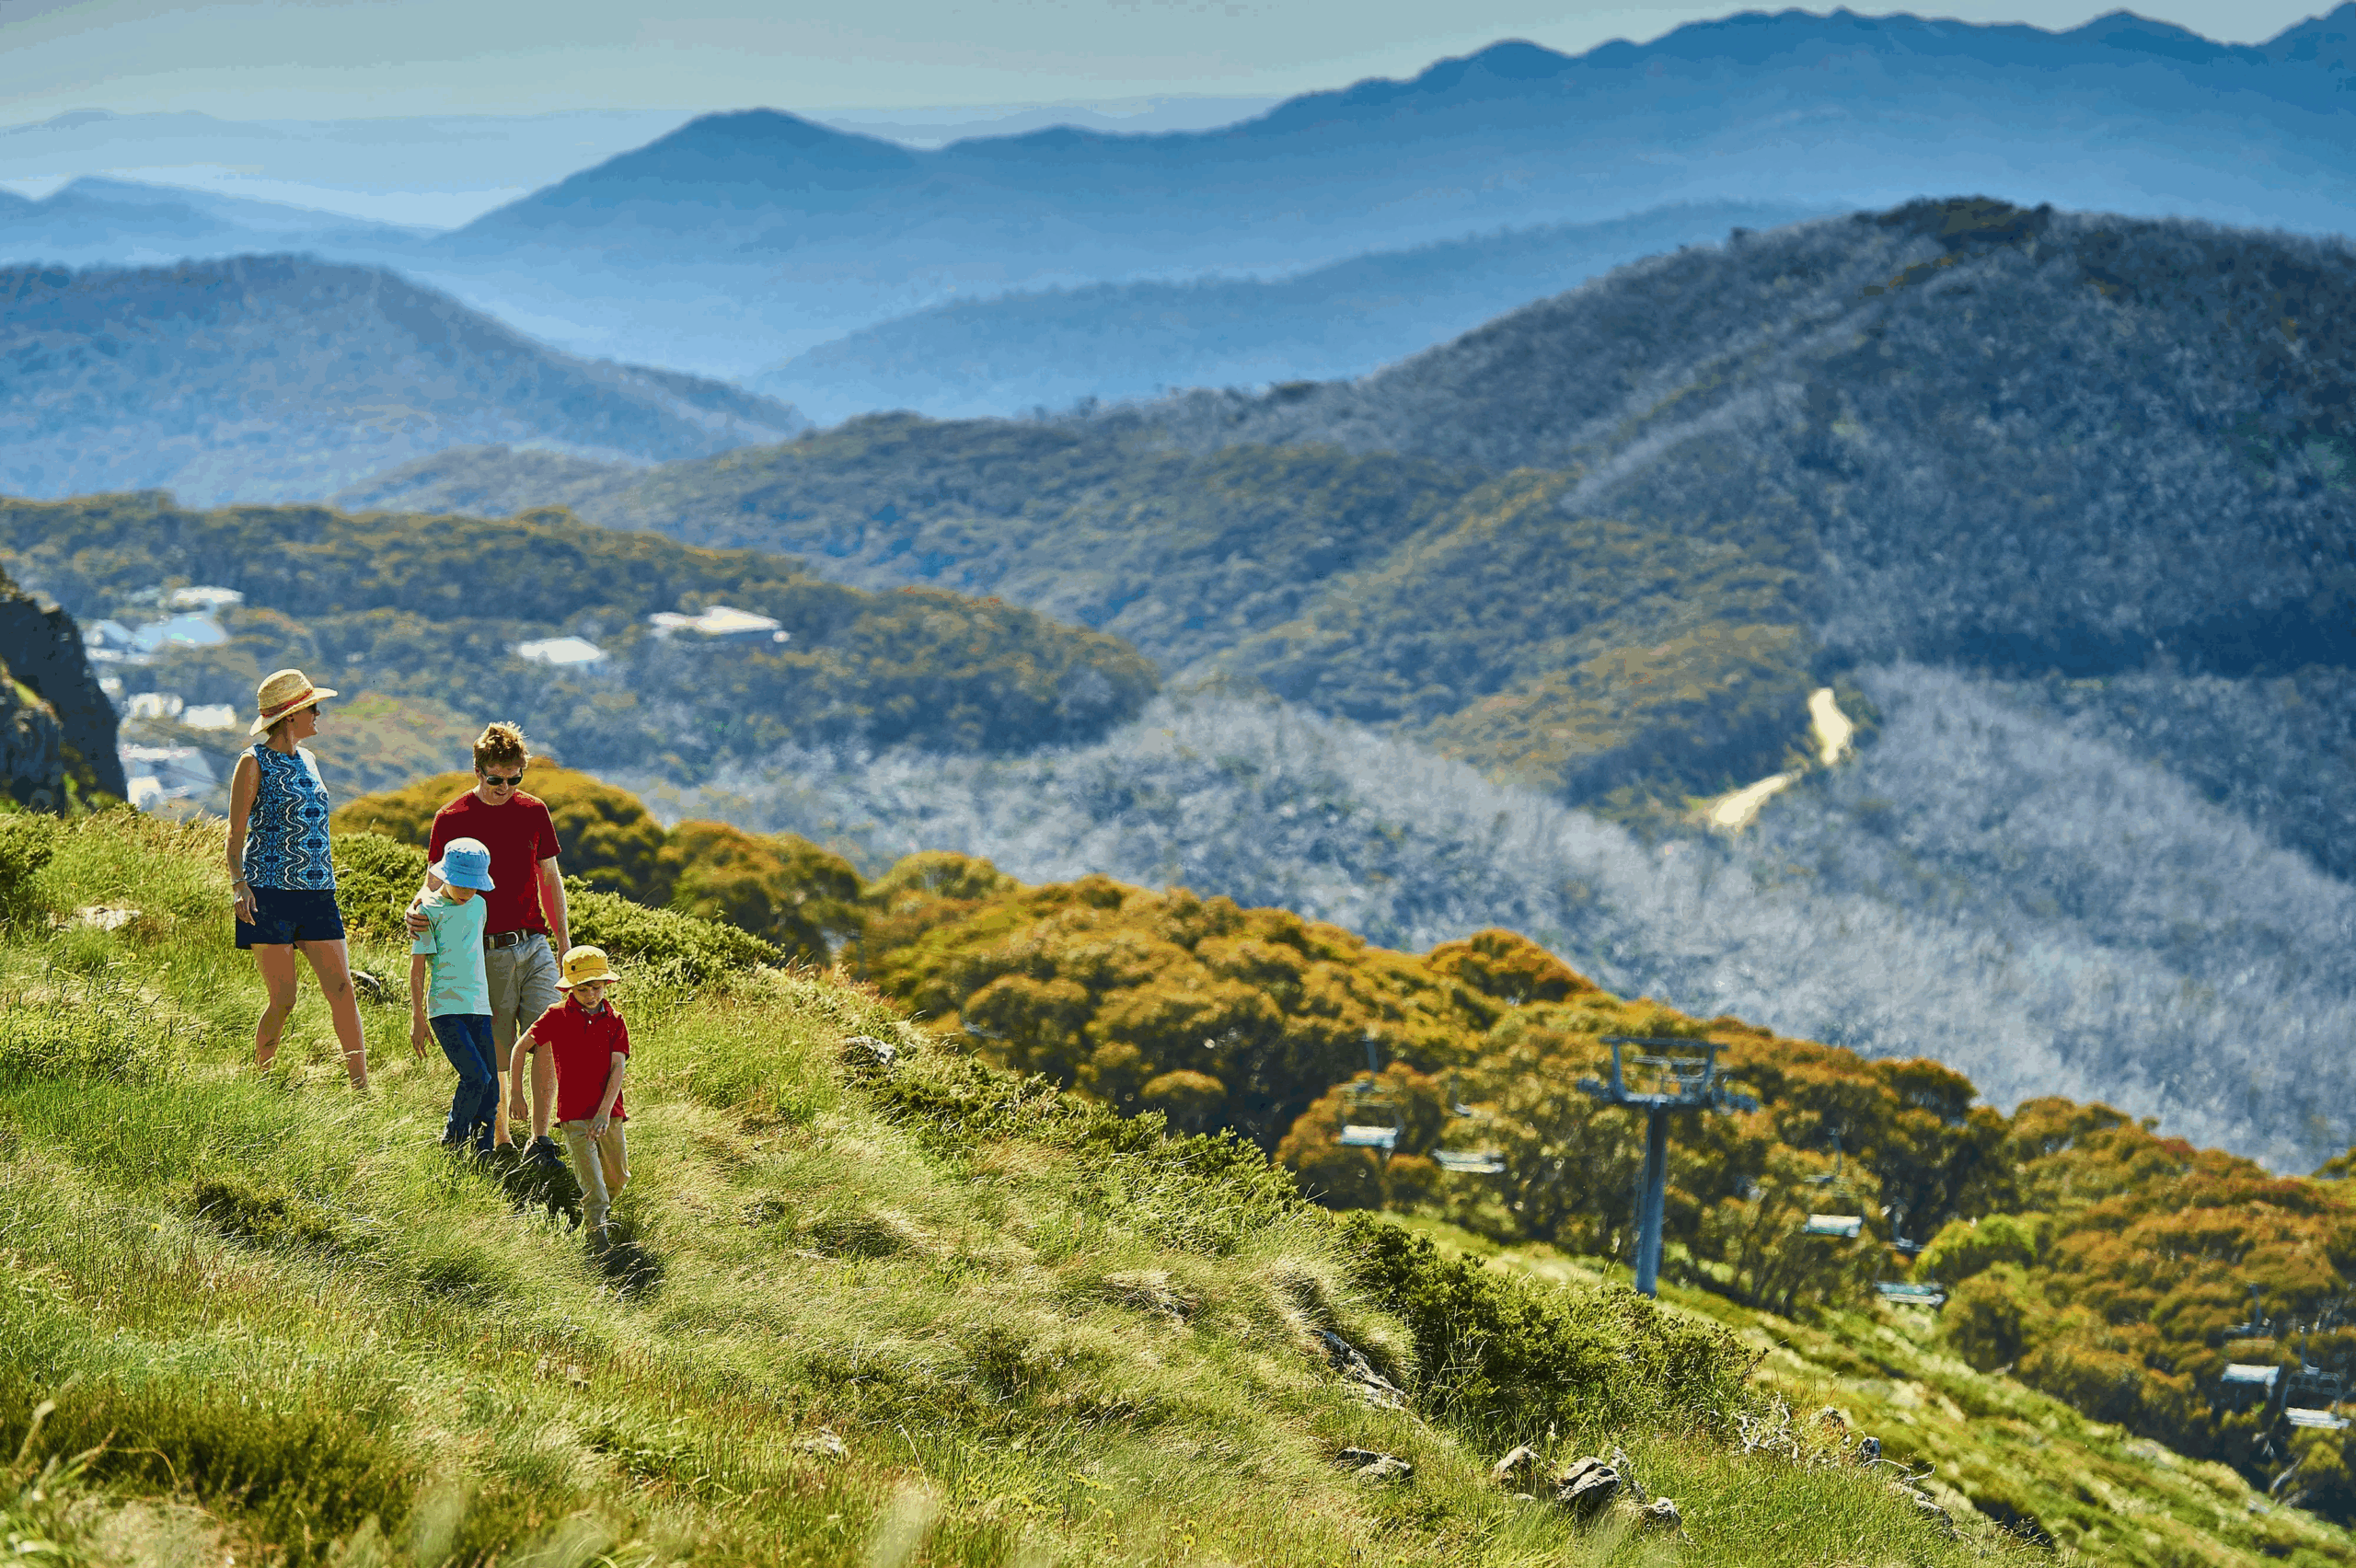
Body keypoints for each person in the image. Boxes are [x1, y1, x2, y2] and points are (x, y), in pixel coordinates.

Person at [406, 722, 571, 1164]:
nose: (505, 787)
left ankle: (540, 1140)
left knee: (546, 1036)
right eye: (496, 778)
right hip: (484, 950)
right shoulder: (451, 817)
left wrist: (563, 942)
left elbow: (550, 877)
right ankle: (501, 1140)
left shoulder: (534, 811)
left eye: (514, 778)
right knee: (497, 1044)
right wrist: (415, 908)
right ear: (477, 770)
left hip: (534, 943)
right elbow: (433, 882)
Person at [226, 668, 371, 1088]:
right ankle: (261, 1078)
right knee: (284, 998)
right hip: (268, 894)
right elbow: (235, 832)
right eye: (313, 708)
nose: (318, 714)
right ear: (291, 715)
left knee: (342, 989)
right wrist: (239, 884)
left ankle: (361, 1088)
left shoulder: (309, 760)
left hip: (318, 893)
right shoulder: (252, 762)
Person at [521, 945, 630, 1241]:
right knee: (596, 1190)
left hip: (610, 1113)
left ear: (606, 984)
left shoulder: (615, 1020)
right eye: (583, 989)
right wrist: (517, 1093)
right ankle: (598, 1244)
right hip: (574, 1115)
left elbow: (618, 1068)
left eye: (597, 987)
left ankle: (590, 1213)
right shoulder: (556, 1015)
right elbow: (520, 1048)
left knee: (618, 1178)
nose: (591, 995)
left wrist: (604, 1113)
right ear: (570, 988)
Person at [410, 836, 499, 1153]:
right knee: (475, 1076)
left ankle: (482, 1149)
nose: (467, 892)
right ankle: (453, 1140)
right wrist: (417, 1016)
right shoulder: (426, 911)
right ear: (445, 875)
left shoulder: (480, 906)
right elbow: (417, 967)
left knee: (491, 1086)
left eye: (474, 886)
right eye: (461, 884)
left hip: (480, 1006)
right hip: (445, 1009)